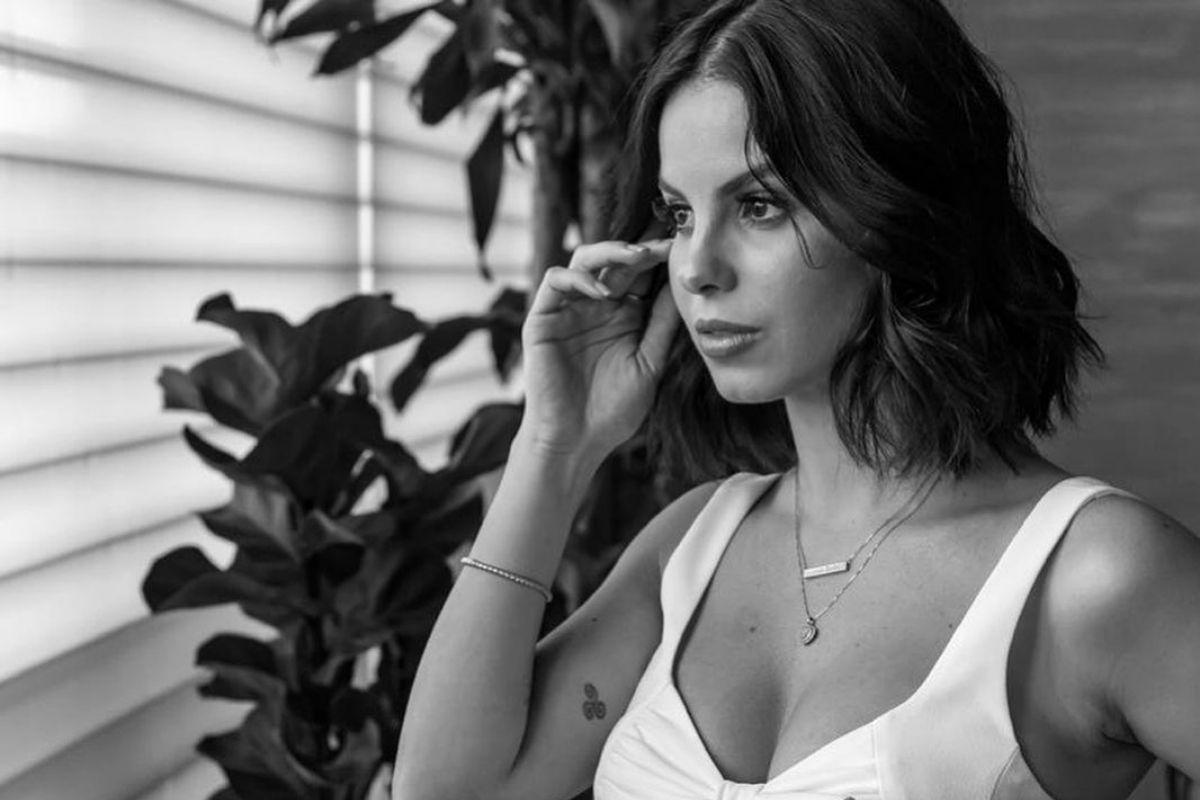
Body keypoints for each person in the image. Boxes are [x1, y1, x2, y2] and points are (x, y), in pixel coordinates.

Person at [392, 1, 1200, 798]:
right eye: (679, 214)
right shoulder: (693, 546)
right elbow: (447, 792)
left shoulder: (1096, 574)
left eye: (759, 205)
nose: (697, 267)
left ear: (898, 208)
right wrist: (555, 448)